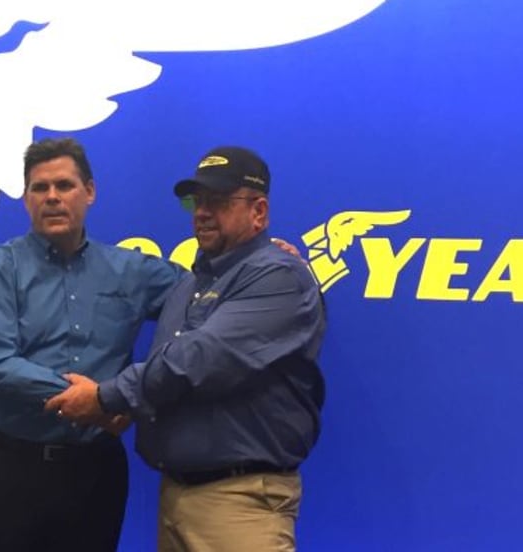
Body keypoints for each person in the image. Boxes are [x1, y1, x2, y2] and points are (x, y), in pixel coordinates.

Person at [46, 145, 327, 552]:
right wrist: (132, 406)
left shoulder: (279, 276)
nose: (202, 212)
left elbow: (199, 360)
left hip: (240, 503)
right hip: (176, 497)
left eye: (219, 200)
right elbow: (178, 375)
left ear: (259, 212)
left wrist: (107, 397)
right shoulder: (187, 286)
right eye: (197, 201)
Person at [0, 137, 183, 551]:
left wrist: (264, 256)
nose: (52, 197)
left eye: (64, 185)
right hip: (7, 469)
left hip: (94, 472)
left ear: (89, 192)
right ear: (25, 199)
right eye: (39, 188)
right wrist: (96, 400)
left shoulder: (131, 271)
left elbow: (208, 294)